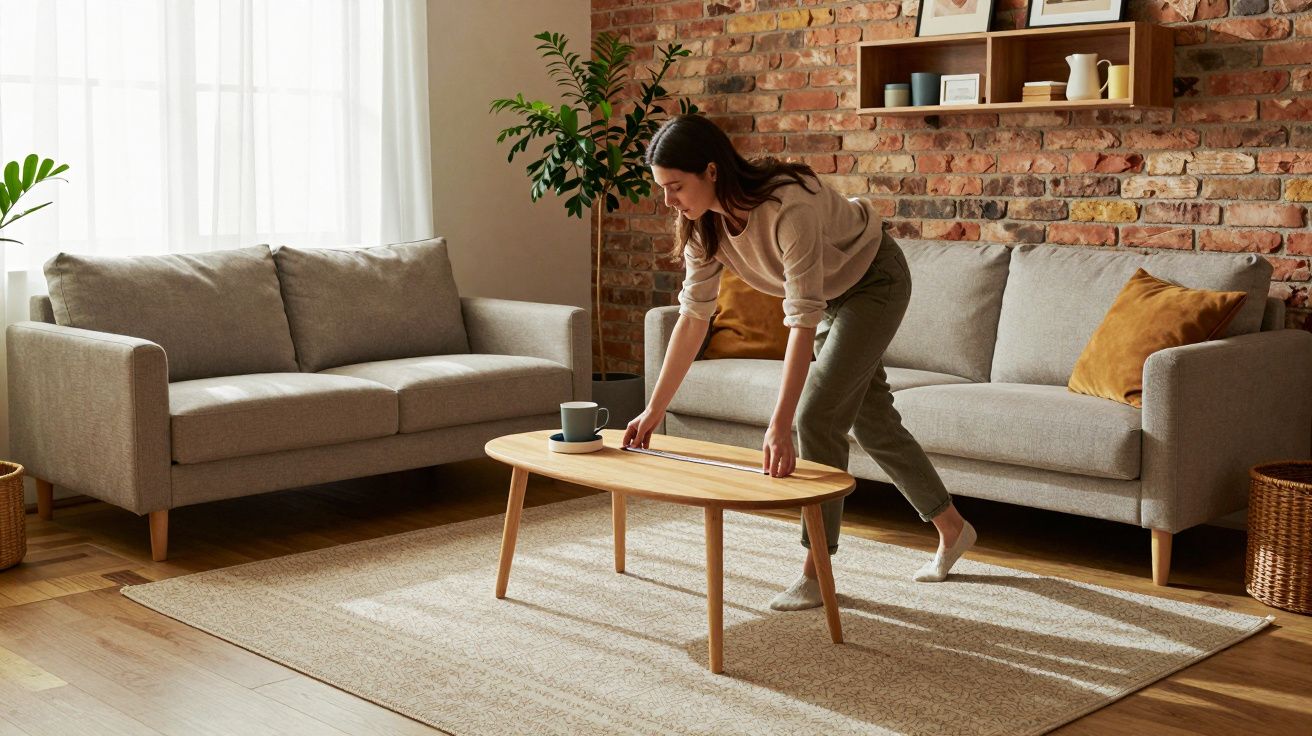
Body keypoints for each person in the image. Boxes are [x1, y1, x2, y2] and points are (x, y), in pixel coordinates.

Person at [621, 114, 977, 611]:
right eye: (662, 189)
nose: (669, 201)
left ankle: (816, 571)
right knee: (872, 422)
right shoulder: (703, 228)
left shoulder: (789, 205)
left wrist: (780, 423)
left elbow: (801, 319)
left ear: (711, 171)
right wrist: (654, 410)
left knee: (815, 416)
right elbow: (693, 318)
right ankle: (953, 528)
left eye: (676, 187)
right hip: (834, 298)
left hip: (874, 282)